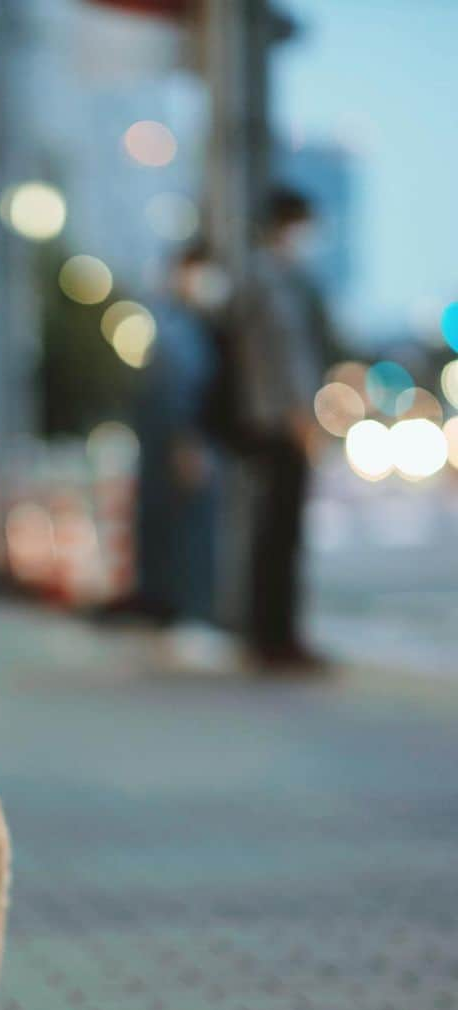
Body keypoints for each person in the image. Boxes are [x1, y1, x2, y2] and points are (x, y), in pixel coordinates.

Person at [233, 187, 332, 671]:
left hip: (276, 420)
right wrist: (300, 417)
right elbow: (281, 358)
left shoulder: (274, 278)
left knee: (277, 534)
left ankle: (272, 636)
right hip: (278, 423)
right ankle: (274, 639)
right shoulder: (268, 280)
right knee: (278, 535)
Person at [135, 243, 236, 670]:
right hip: (186, 442)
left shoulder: (185, 323)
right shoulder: (178, 326)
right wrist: (187, 440)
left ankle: (181, 618)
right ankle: (187, 621)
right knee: (189, 533)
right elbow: (177, 389)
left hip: (185, 441)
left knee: (183, 531)